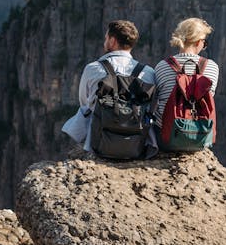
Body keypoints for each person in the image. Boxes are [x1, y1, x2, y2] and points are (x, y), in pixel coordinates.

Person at [62, 19, 156, 154]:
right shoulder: (148, 72)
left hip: (99, 144)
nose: (104, 41)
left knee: (87, 109)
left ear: (112, 41)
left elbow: (85, 102)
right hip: (137, 145)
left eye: (106, 37)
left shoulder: (92, 68)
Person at [154, 18, 219, 148]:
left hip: (166, 140)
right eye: (204, 42)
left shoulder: (161, 66)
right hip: (200, 137)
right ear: (199, 42)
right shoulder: (212, 67)